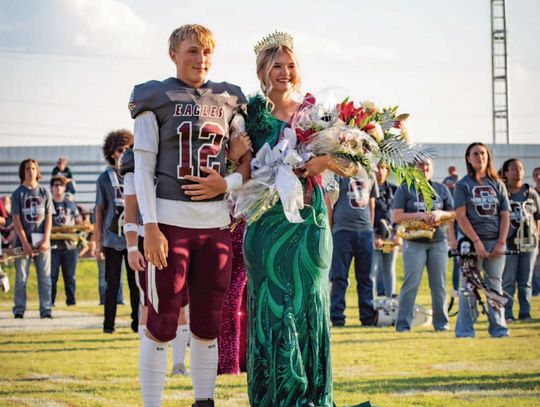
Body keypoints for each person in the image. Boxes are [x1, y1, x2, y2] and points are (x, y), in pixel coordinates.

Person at [130, 24, 250, 406]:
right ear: (174, 55)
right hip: (169, 225)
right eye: (193, 51)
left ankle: (204, 400)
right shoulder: (156, 98)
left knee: (208, 323)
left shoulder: (229, 99)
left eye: (207, 52)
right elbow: (143, 170)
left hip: (215, 226)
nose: (201, 59)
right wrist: (149, 226)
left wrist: (226, 184)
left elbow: (245, 161)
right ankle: (152, 402)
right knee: (162, 321)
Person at [243, 31, 360, 406]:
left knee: (309, 305)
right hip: (266, 227)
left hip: (310, 225)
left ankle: (312, 396)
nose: (285, 71)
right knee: (273, 306)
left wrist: (323, 162)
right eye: (276, 65)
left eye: (290, 64)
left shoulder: (318, 114)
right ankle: (275, 397)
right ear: (262, 70)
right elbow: (239, 169)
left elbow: (351, 164)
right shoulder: (251, 116)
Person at [120, 148, 190, 376]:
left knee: (181, 304)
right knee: (148, 304)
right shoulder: (134, 163)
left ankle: (179, 364)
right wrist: (132, 248)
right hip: (146, 238)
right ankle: (148, 364)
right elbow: (130, 211)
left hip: (179, 235)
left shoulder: (177, 154)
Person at [454, 142, 510, 338]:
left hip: (495, 242)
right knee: (469, 287)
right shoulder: (462, 185)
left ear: (488, 157)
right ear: (468, 158)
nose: (480, 157)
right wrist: (476, 242)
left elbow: (505, 216)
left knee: (495, 286)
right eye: (475, 154)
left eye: (483, 153)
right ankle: (465, 331)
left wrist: (501, 243)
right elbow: (460, 216)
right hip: (470, 243)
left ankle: (499, 330)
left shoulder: (498, 184)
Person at [392, 158, 455, 332]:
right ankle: (403, 325)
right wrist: (420, 215)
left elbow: (453, 214)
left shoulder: (441, 188)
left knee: (439, 285)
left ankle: (441, 325)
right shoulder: (405, 188)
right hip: (414, 243)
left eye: (427, 164)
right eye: (420, 164)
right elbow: (396, 217)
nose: (424, 167)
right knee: (411, 284)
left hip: (438, 242)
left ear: (432, 168)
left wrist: (439, 213)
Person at [92, 130, 139, 334]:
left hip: (134, 239)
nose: (124, 153)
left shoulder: (138, 172)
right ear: (112, 153)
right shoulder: (104, 178)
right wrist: (97, 242)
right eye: (120, 150)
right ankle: (108, 325)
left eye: (128, 149)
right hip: (112, 240)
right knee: (112, 285)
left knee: (136, 285)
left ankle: (137, 323)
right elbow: (99, 211)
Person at [328, 167, 378, 327]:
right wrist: (330, 229)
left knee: (366, 277)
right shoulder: (338, 171)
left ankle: (367, 317)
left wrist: (369, 228)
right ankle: (336, 317)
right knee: (339, 277)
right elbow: (330, 201)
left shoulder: (369, 172)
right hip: (342, 230)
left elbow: (372, 203)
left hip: (364, 232)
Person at [11, 159, 54, 319]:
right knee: (21, 278)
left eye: (33, 168)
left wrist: (46, 239)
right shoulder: (18, 194)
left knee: (45, 277)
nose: (31, 171)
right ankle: (19, 309)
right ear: (23, 171)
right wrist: (24, 243)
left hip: (42, 243)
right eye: (28, 168)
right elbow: (16, 220)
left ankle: (46, 309)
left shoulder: (45, 192)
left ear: (37, 171)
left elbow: (49, 217)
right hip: (23, 244)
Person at [500, 159, 540, 321]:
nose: (518, 171)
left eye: (521, 168)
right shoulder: (501, 192)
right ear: (506, 172)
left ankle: (525, 313)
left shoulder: (531, 193)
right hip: (509, 244)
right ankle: (507, 314)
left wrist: (536, 236)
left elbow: (538, 218)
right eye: (514, 168)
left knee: (526, 282)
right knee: (508, 281)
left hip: (529, 244)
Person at [50, 175, 83, 306]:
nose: (58, 188)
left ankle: (71, 302)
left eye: (60, 185)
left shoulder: (70, 203)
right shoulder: (48, 203)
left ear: (64, 188)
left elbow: (79, 221)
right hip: (53, 246)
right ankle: (50, 302)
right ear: (51, 188)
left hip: (69, 245)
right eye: (55, 185)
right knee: (52, 277)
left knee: (70, 277)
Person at [372, 161, 400, 298]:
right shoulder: (368, 189)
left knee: (389, 270)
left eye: (383, 167)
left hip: (391, 237)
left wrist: (397, 235)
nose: (380, 171)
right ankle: (371, 306)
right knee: (373, 270)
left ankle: (390, 303)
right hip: (374, 237)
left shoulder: (395, 190)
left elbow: (399, 214)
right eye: (377, 167)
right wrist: (373, 235)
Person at [531, 166, 540, 296]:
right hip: (536, 234)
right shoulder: (531, 193)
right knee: (536, 266)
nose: (538, 177)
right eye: (536, 174)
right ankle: (536, 291)